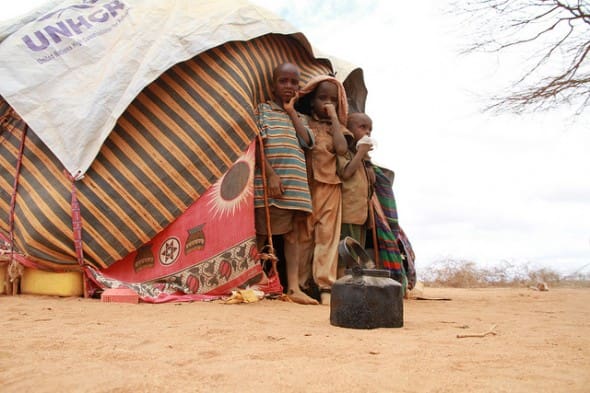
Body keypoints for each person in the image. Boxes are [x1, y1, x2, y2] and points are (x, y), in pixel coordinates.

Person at [253, 62, 319, 305]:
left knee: (292, 235)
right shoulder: (263, 111)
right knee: (262, 231)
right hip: (271, 182)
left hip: (295, 184)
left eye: (294, 82)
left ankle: (293, 288)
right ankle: (254, 279)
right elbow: (258, 146)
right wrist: (270, 175)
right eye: (283, 81)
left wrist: (292, 112)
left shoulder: (300, 117)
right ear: (273, 86)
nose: (289, 86)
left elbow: (308, 141)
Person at [296, 74, 349, 304]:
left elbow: (341, 149)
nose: (327, 103)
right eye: (322, 98)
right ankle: (300, 285)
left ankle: (325, 287)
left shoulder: (339, 129)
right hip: (305, 186)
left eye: (333, 100)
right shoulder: (302, 121)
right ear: (311, 101)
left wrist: (335, 119)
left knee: (326, 237)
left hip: (330, 187)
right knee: (303, 236)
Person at [336, 112, 377, 277]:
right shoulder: (345, 153)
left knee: (357, 251)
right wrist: (360, 153)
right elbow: (346, 173)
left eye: (370, 130)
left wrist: (365, 157)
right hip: (347, 213)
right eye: (362, 127)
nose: (367, 133)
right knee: (344, 252)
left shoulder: (363, 158)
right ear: (349, 129)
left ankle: (353, 284)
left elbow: (372, 181)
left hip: (361, 215)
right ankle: (342, 283)